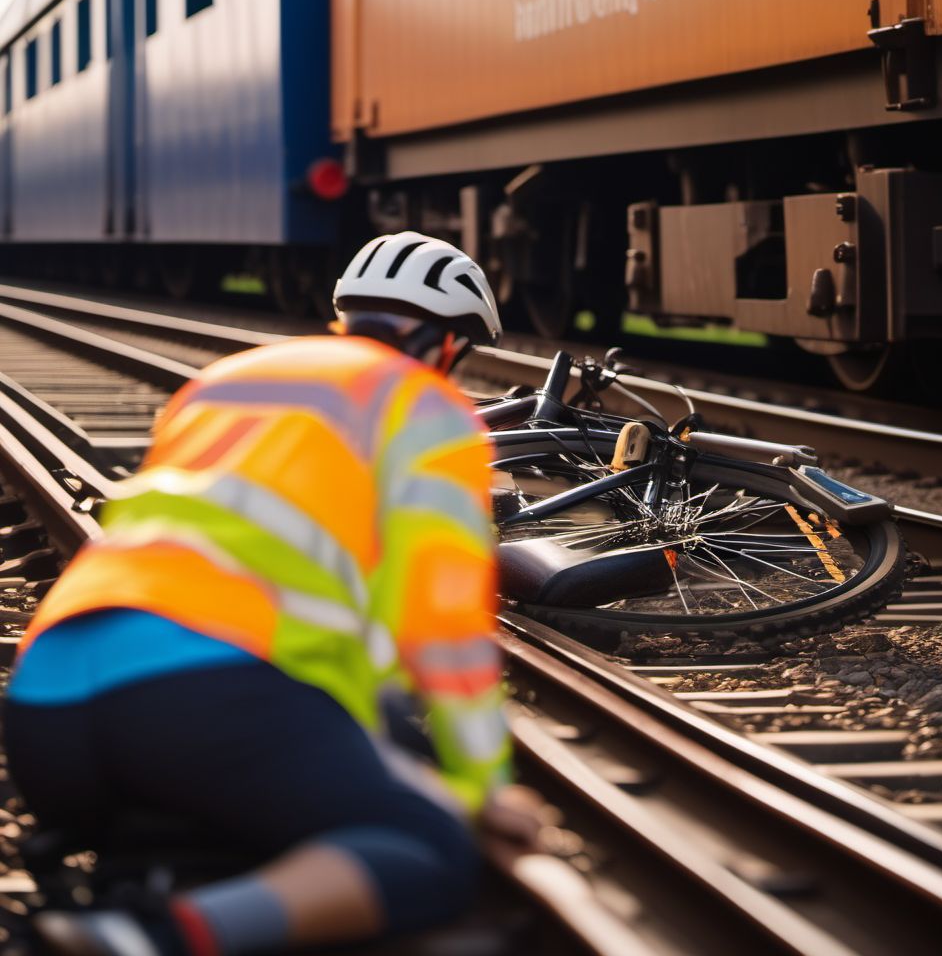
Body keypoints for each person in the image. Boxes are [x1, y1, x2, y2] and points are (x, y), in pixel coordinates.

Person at [4, 232, 541, 956]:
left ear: (346, 316)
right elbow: (443, 631)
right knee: (428, 851)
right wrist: (482, 788)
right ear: (448, 348)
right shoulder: (428, 410)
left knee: (254, 811)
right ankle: (151, 939)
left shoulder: (226, 381)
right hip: (197, 710)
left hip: (47, 719)